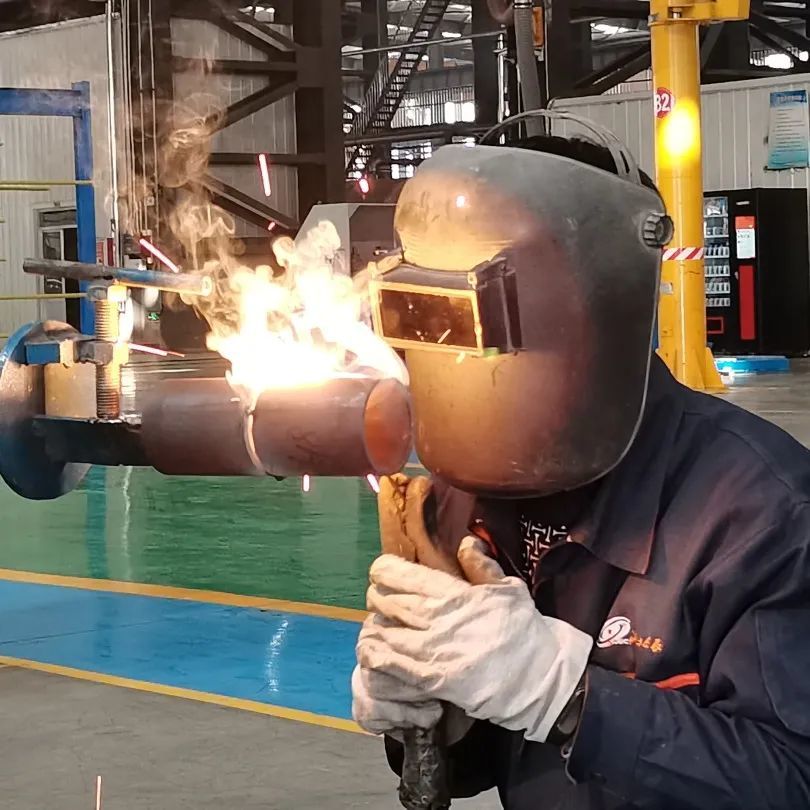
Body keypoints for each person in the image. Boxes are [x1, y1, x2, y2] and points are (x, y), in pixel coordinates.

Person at [352, 121, 810, 809]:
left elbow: (792, 779)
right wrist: (432, 716)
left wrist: (569, 696)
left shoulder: (761, 516)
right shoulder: (459, 492)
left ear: (595, 306)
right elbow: (482, 761)